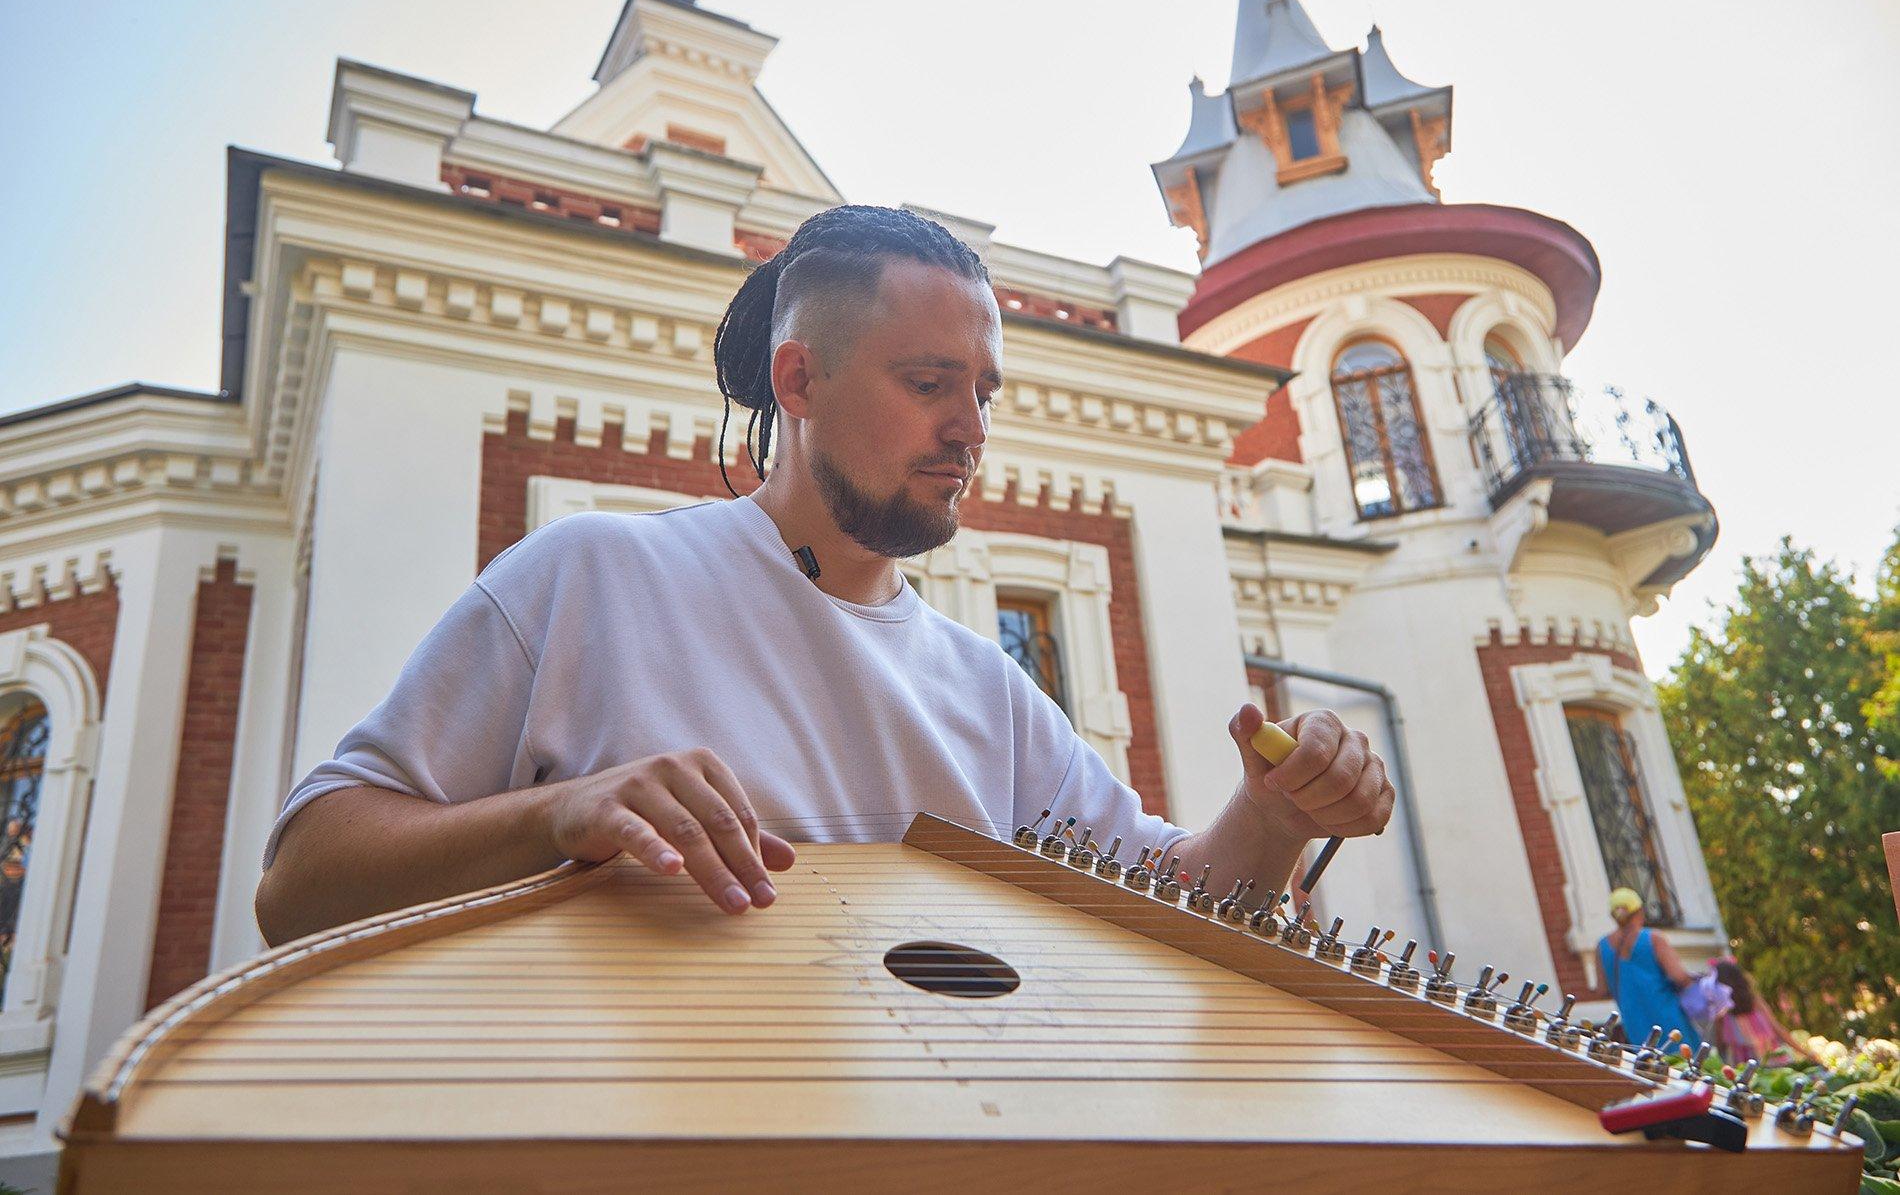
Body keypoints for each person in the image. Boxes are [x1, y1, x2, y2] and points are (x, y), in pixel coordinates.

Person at [254, 205, 1396, 945]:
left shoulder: (986, 690)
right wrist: (560, 810)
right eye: (927, 382)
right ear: (797, 382)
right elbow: (301, 882)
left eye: (983, 391)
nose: (969, 429)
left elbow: (1186, 905)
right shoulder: (590, 578)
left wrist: (1272, 812)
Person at [1598, 886, 1699, 1046]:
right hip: (1667, 1018)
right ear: (1639, 911)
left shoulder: (1602, 946)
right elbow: (1679, 977)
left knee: (1647, 1065)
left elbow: (1602, 990)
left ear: (1614, 916)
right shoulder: (1654, 938)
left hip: (1634, 1024)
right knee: (1683, 1063)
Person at [1709, 956, 1797, 1066]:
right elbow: (1777, 1029)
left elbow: (1721, 1046)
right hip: (1773, 1061)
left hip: (1746, 1069)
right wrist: (1804, 1052)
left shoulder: (1722, 1013)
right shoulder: (1754, 1001)